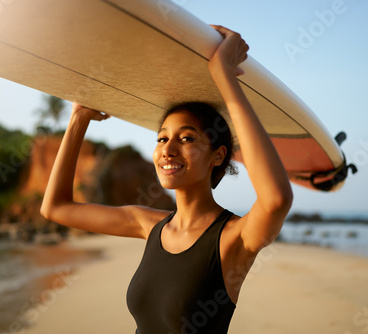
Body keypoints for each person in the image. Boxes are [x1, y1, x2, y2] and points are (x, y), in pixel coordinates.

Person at [40, 25, 293, 334]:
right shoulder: (148, 225)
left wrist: (223, 75)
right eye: (161, 139)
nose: (168, 150)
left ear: (217, 155)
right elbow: (55, 208)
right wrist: (79, 117)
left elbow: (276, 199)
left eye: (187, 139)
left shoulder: (233, 239)